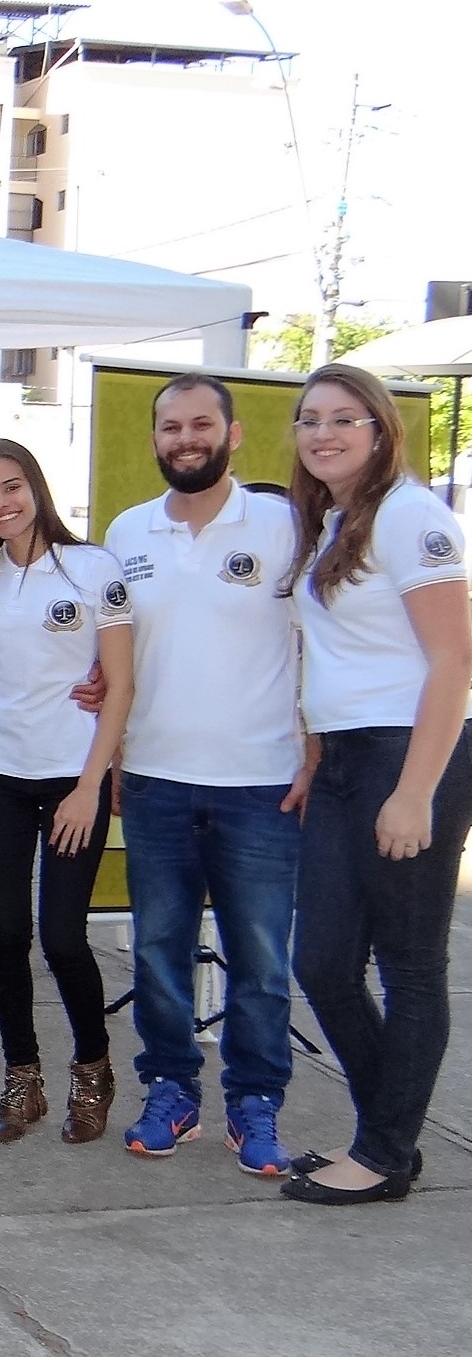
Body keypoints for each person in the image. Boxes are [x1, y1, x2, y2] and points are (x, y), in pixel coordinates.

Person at [103, 374, 307, 1172]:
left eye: (199, 424)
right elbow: (111, 655)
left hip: (260, 782)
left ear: (233, 434)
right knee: (158, 950)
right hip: (152, 779)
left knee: (259, 958)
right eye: (169, 426)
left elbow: (319, 642)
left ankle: (254, 1102)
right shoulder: (126, 532)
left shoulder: (286, 524)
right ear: (154, 438)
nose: (183, 438)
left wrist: (314, 746)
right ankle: (171, 1090)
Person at [280, 364, 472, 1206]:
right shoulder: (331, 522)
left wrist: (414, 791)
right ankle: (387, 1131)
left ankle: (385, 1151)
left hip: (408, 754)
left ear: (379, 428)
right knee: (321, 962)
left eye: (342, 418)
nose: (322, 433)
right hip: (344, 760)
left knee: (408, 966)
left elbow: (454, 661)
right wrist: (315, 752)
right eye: (308, 419)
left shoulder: (410, 516)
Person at [0, 438, 133, 1145]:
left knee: (63, 937)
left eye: (10, 487)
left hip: (72, 779)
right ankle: (21, 1080)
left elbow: (120, 683)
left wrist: (90, 785)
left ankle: (91, 1072)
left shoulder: (92, 568)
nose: (0, 504)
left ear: (34, 487)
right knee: (4, 934)